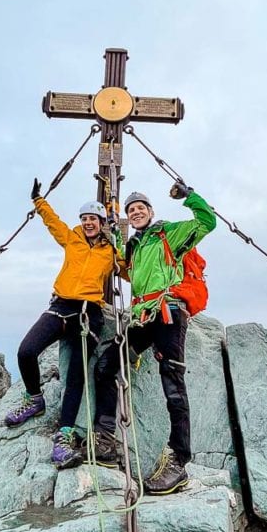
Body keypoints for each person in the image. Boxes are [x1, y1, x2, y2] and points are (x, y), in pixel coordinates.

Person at [90, 182, 216, 492]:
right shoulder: (135, 247)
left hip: (168, 312)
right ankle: (106, 438)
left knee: (173, 384)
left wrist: (189, 196)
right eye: (132, 210)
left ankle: (178, 459)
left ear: (150, 212)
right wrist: (113, 233)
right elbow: (124, 264)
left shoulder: (168, 233)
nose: (135, 213)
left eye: (140, 208)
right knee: (106, 364)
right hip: (143, 316)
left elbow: (207, 222)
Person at [4, 178, 115, 470]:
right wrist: (39, 201)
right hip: (62, 305)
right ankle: (34, 398)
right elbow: (53, 222)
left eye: (93, 219)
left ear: (103, 222)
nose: (88, 223)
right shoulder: (72, 238)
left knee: (76, 376)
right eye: (84, 218)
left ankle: (64, 437)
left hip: (90, 312)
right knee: (26, 351)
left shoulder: (110, 251)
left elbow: (131, 269)